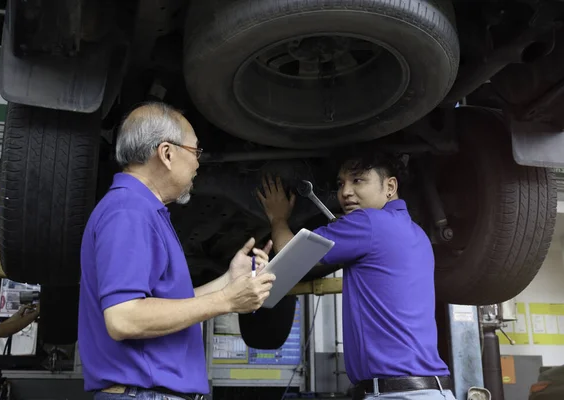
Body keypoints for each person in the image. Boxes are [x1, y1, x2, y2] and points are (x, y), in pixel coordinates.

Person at [78, 102, 276, 400]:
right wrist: (226, 300)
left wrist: (227, 281)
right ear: (167, 154)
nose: (198, 163)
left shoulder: (141, 209)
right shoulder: (128, 211)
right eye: (195, 152)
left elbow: (165, 306)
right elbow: (124, 318)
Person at [257, 151, 455, 400]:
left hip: (398, 395)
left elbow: (290, 252)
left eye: (358, 180)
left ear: (390, 186)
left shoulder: (369, 222)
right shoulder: (417, 234)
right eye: (341, 183)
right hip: (426, 391)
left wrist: (278, 217)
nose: (345, 192)